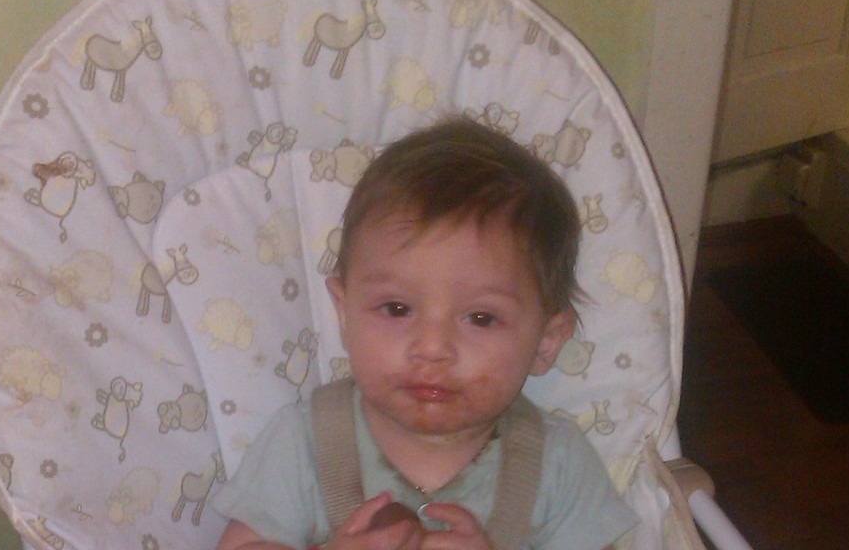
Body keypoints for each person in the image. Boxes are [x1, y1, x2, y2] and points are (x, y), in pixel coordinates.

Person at [212, 117, 638, 550]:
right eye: (397, 309)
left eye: (481, 318)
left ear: (546, 342)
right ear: (345, 314)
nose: (433, 348)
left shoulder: (557, 464)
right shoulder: (306, 442)